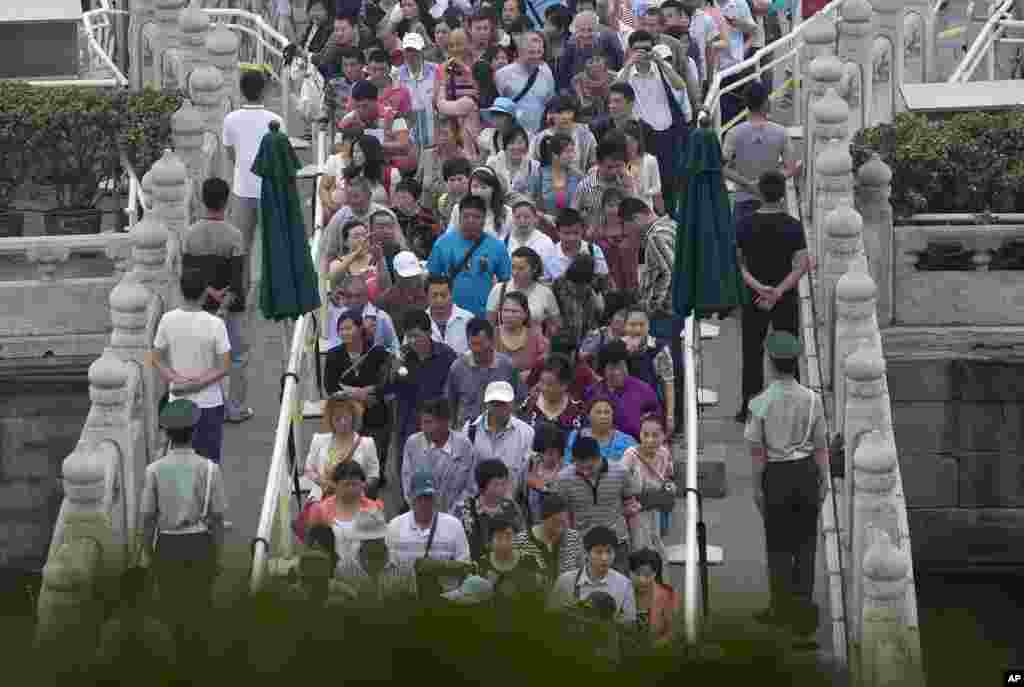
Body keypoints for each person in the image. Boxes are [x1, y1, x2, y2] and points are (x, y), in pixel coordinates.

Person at [746, 331, 828, 647]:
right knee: (806, 546)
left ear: (770, 362)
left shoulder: (761, 402)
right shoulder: (813, 399)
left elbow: (758, 452)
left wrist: (757, 488)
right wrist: (822, 480)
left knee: (778, 547)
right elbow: (820, 445)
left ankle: (780, 609)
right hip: (806, 474)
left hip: (777, 477)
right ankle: (803, 617)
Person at [139, 400, 228, 649]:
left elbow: (147, 518)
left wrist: (147, 553)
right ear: (195, 430)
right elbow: (218, 518)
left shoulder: (154, 470)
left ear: (167, 432)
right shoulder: (210, 469)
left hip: (167, 544)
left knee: (170, 610)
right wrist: (218, 555)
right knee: (201, 608)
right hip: (200, 543)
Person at [735, 170, 813, 422]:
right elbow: (801, 264)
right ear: (782, 195)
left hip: (753, 296)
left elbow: (737, 265)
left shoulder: (743, 224)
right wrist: (778, 291)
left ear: (760, 192)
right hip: (785, 296)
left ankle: (750, 406)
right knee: (788, 349)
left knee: (752, 351)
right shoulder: (793, 225)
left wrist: (759, 287)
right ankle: (794, 406)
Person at [181, 177, 252, 425]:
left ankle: (207, 408)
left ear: (202, 199)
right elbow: (237, 276)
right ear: (226, 201)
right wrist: (223, 297)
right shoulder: (234, 235)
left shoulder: (190, 235)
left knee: (204, 357)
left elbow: (188, 272)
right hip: (231, 306)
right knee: (237, 358)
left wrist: (209, 291)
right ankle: (235, 408)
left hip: (201, 305)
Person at [149, 269, 231, 464]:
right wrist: (199, 385)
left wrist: (175, 378)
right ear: (205, 292)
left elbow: (156, 358)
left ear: (180, 290)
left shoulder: (167, 320)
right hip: (209, 402)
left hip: (177, 401)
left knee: (180, 464)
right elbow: (224, 366)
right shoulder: (216, 324)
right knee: (209, 465)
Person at [222, 69, 283, 302]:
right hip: (270, 190)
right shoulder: (276, 121)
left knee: (242, 246)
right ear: (264, 91)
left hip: (242, 190)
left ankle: (240, 294)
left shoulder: (230, 120)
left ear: (241, 90)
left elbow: (230, 153)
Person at [619, 196, 681, 420]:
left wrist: (652, 306)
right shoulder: (671, 225)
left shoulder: (655, 236)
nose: (631, 235)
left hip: (665, 312)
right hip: (674, 309)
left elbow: (669, 272)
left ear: (637, 218)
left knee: (666, 369)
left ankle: (669, 417)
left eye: (630, 229)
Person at [555, 437, 641, 574]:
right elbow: (562, 516)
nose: (585, 472)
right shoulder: (564, 479)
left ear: (599, 457)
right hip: (582, 546)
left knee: (619, 590)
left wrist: (636, 546)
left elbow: (631, 508)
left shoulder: (621, 472)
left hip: (617, 545)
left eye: (590, 467)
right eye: (580, 467)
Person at [323, 310, 395, 468]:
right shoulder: (333, 355)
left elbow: (388, 382)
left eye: (348, 328)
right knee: (349, 464)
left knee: (374, 463)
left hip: (376, 413)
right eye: (341, 329)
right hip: (347, 417)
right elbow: (330, 386)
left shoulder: (378, 352)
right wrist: (356, 394)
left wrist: (371, 391)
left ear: (360, 328)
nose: (344, 332)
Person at [387, 469, 474, 600]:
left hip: (447, 602)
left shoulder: (454, 525)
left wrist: (439, 566)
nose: (424, 503)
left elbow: (465, 567)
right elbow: (388, 570)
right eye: (420, 498)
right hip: (406, 602)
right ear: (410, 497)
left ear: (435, 498)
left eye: (428, 498)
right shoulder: (395, 526)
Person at [722, 82, 801, 224]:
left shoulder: (733, 133)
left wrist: (749, 185)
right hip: (772, 203)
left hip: (743, 200)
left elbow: (722, 168)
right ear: (766, 103)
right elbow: (792, 168)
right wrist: (766, 183)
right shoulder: (781, 132)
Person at [427, 195, 513, 317]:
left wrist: (496, 311)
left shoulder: (497, 247)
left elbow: (505, 282)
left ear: (484, 219)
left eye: (476, 217)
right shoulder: (442, 243)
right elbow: (432, 279)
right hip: (451, 315)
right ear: (459, 218)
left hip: (483, 316)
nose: (471, 220)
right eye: (466, 216)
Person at [444, 317, 525, 426]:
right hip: (467, 433)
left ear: (491, 341)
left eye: (480, 344)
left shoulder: (507, 366)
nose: (476, 349)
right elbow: (450, 404)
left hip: (501, 430)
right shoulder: (457, 367)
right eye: (473, 344)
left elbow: (519, 399)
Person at [401, 397, 476, 514]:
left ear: (445, 422)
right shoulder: (413, 443)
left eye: (428, 422)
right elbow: (408, 483)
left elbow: (470, 487)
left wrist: (452, 515)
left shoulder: (464, 446)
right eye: (422, 422)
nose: (423, 428)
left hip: (456, 518)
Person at [463, 381, 535, 501]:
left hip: (511, 505)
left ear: (512, 404)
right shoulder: (470, 429)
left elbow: (527, 475)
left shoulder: (527, 433)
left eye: (503, 403)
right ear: (486, 404)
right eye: (495, 403)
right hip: (475, 504)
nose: (499, 408)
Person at [549, 525, 637, 623]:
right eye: (598, 552)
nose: (604, 558)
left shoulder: (625, 585)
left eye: (609, 552)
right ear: (586, 553)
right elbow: (552, 618)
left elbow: (629, 625)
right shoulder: (565, 581)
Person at [308, 461, 386, 568]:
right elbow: (311, 546)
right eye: (346, 485)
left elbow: (381, 548)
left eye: (355, 484)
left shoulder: (374, 508)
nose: (351, 489)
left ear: (363, 484)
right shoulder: (320, 510)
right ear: (335, 485)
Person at [304, 398, 381, 502]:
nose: (343, 422)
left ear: (353, 417)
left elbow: (374, 474)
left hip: (355, 501)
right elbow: (309, 469)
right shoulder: (318, 440)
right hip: (323, 498)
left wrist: (356, 488)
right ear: (330, 419)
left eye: (346, 417)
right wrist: (323, 483)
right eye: (338, 418)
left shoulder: (367, 443)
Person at [584, 340, 662, 441]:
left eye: (621, 366)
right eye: (612, 368)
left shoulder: (643, 390)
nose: (617, 372)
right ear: (603, 369)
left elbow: (657, 420)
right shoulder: (592, 392)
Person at [620, 414, 674, 558]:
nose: (650, 440)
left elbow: (668, 477)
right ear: (640, 434)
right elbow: (620, 483)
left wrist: (668, 489)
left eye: (655, 435)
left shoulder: (664, 453)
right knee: (639, 548)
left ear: (663, 436)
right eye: (645, 435)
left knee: (656, 545)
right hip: (636, 509)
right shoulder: (630, 455)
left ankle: (658, 578)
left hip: (655, 507)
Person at [459, 459, 527, 561]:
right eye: (495, 485)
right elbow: (467, 545)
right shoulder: (468, 509)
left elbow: (523, 539)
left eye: (503, 484)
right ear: (482, 486)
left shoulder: (511, 507)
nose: (500, 489)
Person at [622, 307, 676, 436]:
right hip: (623, 407)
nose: (637, 329)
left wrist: (670, 416)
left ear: (648, 326)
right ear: (625, 326)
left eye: (641, 325)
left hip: (650, 408)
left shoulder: (660, 349)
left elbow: (668, 384)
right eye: (632, 325)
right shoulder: (617, 346)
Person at [495, 31, 557, 135]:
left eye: (539, 52)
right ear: (520, 51)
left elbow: (549, 100)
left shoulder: (546, 71)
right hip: (512, 135)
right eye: (531, 52)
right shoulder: (502, 74)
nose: (536, 56)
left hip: (538, 133)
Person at [522, 133, 584, 233]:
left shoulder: (577, 175)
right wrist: (544, 216)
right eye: (567, 152)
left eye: (573, 151)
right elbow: (527, 204)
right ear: (555, 155)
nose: (572, 156)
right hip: (545, 230)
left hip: (570, 231)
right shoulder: (538, 174)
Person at [573, 135, 635, 233]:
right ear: (598, 163)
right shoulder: (584, 186)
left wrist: (629, 188)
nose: (614, 171)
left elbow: (634, 215)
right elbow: (573, 216)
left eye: (618, 166)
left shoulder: (625, 183)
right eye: (609, 167)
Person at [476, 516, 546, 601]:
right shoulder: (483, 563)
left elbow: (540, 594)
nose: (504, 542)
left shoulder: (528, 559)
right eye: (499, 538)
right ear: (490, 542)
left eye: (508, 537)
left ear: (515, 538)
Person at [554, 10, 624, 92]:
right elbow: (563, 72)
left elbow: (621, 61)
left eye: (590, 30)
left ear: (597, 29)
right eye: (582, 30)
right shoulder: (570, 44)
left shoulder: (609, 37)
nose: (586, 34)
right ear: (575, 31)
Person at [529, 94, 598, 178]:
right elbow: (532, 166)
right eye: (559, 112)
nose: (564, 117)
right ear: (550, 114)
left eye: (568, 112)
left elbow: (594, 163)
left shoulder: (585, 135)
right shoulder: (539, 138)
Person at [717, 0, 759, 127]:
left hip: (733, 68)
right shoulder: (707, 5)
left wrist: (741, 52)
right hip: (712, 67)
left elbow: (753, 31)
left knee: (733, 113)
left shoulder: (739, 3)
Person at [520, 354, 587, 432]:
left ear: (564, 385)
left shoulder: (578, 410)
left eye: (549, 384)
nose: (543, 388)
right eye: (542, 382)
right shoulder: (527, 405)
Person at [446, 166, 514, 240]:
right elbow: (449, 237)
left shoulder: (506, 212)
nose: (479, 191)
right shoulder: (458, 209)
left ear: (493, 189)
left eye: (484, 187)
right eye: (475, 186)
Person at [397, 32, 439, 152]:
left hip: (434, 136)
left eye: (415, 49)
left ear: (421, 51)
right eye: (408, 50)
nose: (411, 54)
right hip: (411, 141)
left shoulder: (436, 70)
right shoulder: (396, 75)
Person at [550, 253, 604, 346]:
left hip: (572, 331)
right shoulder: (589, 289)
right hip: (573, 332)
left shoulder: (558, 284)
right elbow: (599, 309)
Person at [546, 208, 609, 286]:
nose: (572, 238)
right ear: (557, 232)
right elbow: (547, 283)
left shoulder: (593, 250)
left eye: (576, 233)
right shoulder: (550, 254)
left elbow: (603, 279)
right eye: (566, 233)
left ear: (582, 230)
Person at [628, 547, 678, 646]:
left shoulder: (667, 594)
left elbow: (672, 631)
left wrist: (655, 646)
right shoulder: (622, 591)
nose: (642, 580)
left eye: (647, 575)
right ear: (630, 572)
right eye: (637, 574)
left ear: (655, 574)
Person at [492, 291, 549, 377]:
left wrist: (530, 374)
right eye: (505, 310)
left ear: (525, 314)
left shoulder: (536, 338)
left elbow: (546, 367)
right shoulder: (491, 335)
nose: (509, 315)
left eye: (514, 311)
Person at [565, 395, 637, 464]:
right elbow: (567, 465)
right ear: (588, 416)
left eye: (607, 412)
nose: (603, 416)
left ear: (613, 416)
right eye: (598, 412)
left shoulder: (627, 441)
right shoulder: (575, 436)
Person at [498, 204, 559, 286]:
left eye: (527, 217)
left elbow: (553, 275)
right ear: (512, 219)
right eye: (518, 217)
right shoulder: (503, 241)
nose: (522, 221)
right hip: (509, 291)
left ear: (535, 219)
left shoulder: (545, 242)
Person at [620, 120, 664, 215]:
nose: (629, 146)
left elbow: (657, 190)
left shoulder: (650, 160)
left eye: (632, 141)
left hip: (646, 212)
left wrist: (663, 216)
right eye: (626, 142)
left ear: (638, 142)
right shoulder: (619, 163)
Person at [426, 274, 475, 355]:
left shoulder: (468, 319)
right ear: (427, 296)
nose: (439, 300)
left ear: (451, 295)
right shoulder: (418, 321)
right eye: (434, 295)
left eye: (443, 295)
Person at [487, 126, 540, 194]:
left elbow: (538, 196)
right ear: (505, 145)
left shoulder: (534, 167)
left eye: (520, 142)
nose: (516, 147)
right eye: (511, 143)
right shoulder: (492, 163)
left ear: (526, 145)